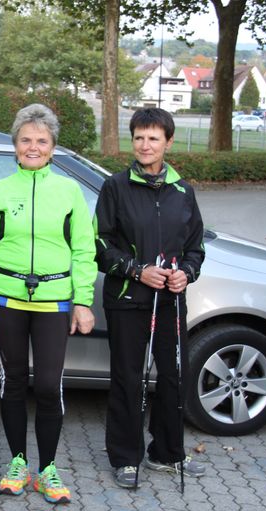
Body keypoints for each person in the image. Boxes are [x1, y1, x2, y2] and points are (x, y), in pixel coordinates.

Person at [0, 103, 97, 504]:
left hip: (54, 302)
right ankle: (18, 463)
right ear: (15, 145)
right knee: (13, 382)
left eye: (41, 140)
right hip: (6, 299)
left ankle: (48, 469)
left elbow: (84, 250)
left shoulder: (69, 191)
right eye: (26, 139)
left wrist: (83, 301)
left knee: (47, 385)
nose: (33, 147)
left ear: (53, 147)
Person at [93, 107, 206, 489]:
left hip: (170, 301)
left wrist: (185, 273)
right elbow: (100, 246)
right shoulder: (115, 187)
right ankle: (126, 458)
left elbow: (196, 247)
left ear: (168, 142)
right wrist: (136, 270)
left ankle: (167, 453)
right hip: (127, 300)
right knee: (128, 379)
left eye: (153, 138)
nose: (145, 145)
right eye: (139, 137)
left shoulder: (183, 191)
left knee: (175, 376)